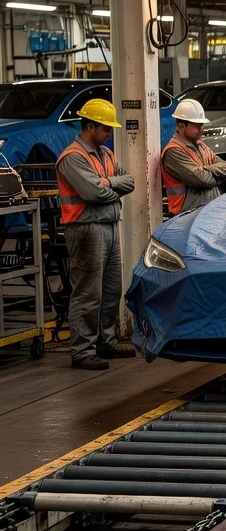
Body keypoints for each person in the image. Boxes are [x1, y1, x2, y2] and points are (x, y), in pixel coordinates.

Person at [56, 99, 136, 370]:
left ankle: (105, 341)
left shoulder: (106, 154)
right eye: (106, 129)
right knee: (88, 292)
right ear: (90, 127)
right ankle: (82, 350)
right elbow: (93, 193)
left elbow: (130, 181)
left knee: (110, 289)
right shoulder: (73, 157)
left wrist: (108, 182)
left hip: (109, 225)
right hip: (86, 228)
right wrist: (110, 186)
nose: (110, 134)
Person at [161, 99, 226, 216]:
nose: (201, 131)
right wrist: (216, 174)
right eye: (197, 127)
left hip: (207, 213)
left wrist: (207, 172)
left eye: (201, 126)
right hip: (186, 216)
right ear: (181, 125)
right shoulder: (173, 151)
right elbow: (201, 179)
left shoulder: (201, 145)